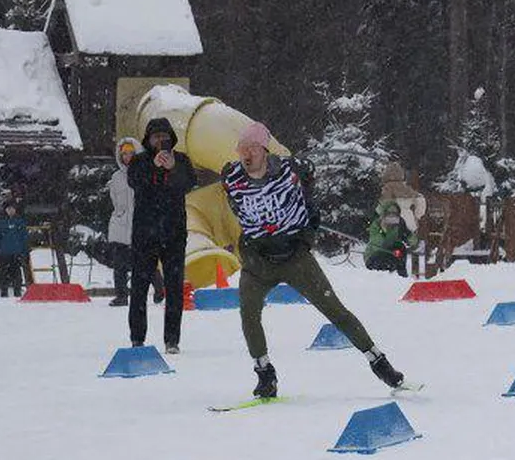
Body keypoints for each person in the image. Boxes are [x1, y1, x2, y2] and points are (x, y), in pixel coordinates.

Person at [222, 121, 404, 399]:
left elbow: (309, 194)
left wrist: (308, 228)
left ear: (264, 150)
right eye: (241, 150)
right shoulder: (232, 177)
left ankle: (379, 361)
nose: (246, 156)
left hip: (294, 257)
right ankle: (264, 374)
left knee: (334, 310)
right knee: (248, 313)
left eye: (252, 149)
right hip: (258, 259)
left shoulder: (288, 170)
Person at [127, 118, 195, 351]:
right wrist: (153, 167)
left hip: (174, 233)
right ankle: (137, 338)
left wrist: (172, 169)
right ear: (148, 139)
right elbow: (135, 182)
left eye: (164, 136)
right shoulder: (138, 161)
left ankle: (172, 340)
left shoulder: (182, 160)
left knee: (174, 288)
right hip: (145, 234)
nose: (160, 140)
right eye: (155, 136)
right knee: (139, 286)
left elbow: (188, 183)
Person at [105, 136, 142, 306]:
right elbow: (114, 200)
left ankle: (156, 289)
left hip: (139, 224)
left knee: (141, 263)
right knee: (119, 264)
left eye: (131, 153)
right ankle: (121, 295)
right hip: (120, 225)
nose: (127, 157)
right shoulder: (116, 177)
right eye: (124, 153)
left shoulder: (144, 174)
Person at [0, 200, 29, 297]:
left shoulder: (19, 221)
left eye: (12, 208)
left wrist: (25, 250)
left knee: (17, 273)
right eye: (8, 209)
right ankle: (4, 293)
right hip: (4, 253)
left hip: (16, 252)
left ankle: (17, 292)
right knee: (4, 274)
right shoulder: (0, 223)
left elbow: (24, 237)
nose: (11, 211)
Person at [364, 203, 411, 276]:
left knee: (401, 247)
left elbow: (408, 236)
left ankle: (401, 276)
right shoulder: (377, 224)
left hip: (392, 252)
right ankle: (379, 277)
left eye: (394, 214)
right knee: (384, 255)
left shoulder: (400, 224)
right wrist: (383, 231)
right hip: (375, 254)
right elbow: (376, 242)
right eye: (389, 214)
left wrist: (414, 241)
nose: (392, 217)